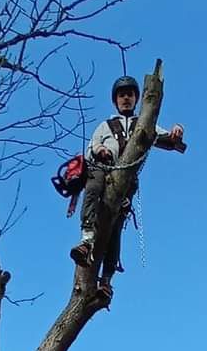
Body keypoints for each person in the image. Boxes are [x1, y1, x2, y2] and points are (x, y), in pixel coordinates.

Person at [70, 74, 185, 295]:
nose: (125, 99)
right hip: (102, 170)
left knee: (114, 227)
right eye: (121, 95)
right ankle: (86, 239)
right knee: (93, 189)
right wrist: (100, 150)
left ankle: (106, 278)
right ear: (115, 100)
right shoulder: (106, 125)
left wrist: (177, 130)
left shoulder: (143, 124)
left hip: (126, 181)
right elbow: (92, 146)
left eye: (129, 95)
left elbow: (167, 139)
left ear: (136, 98)